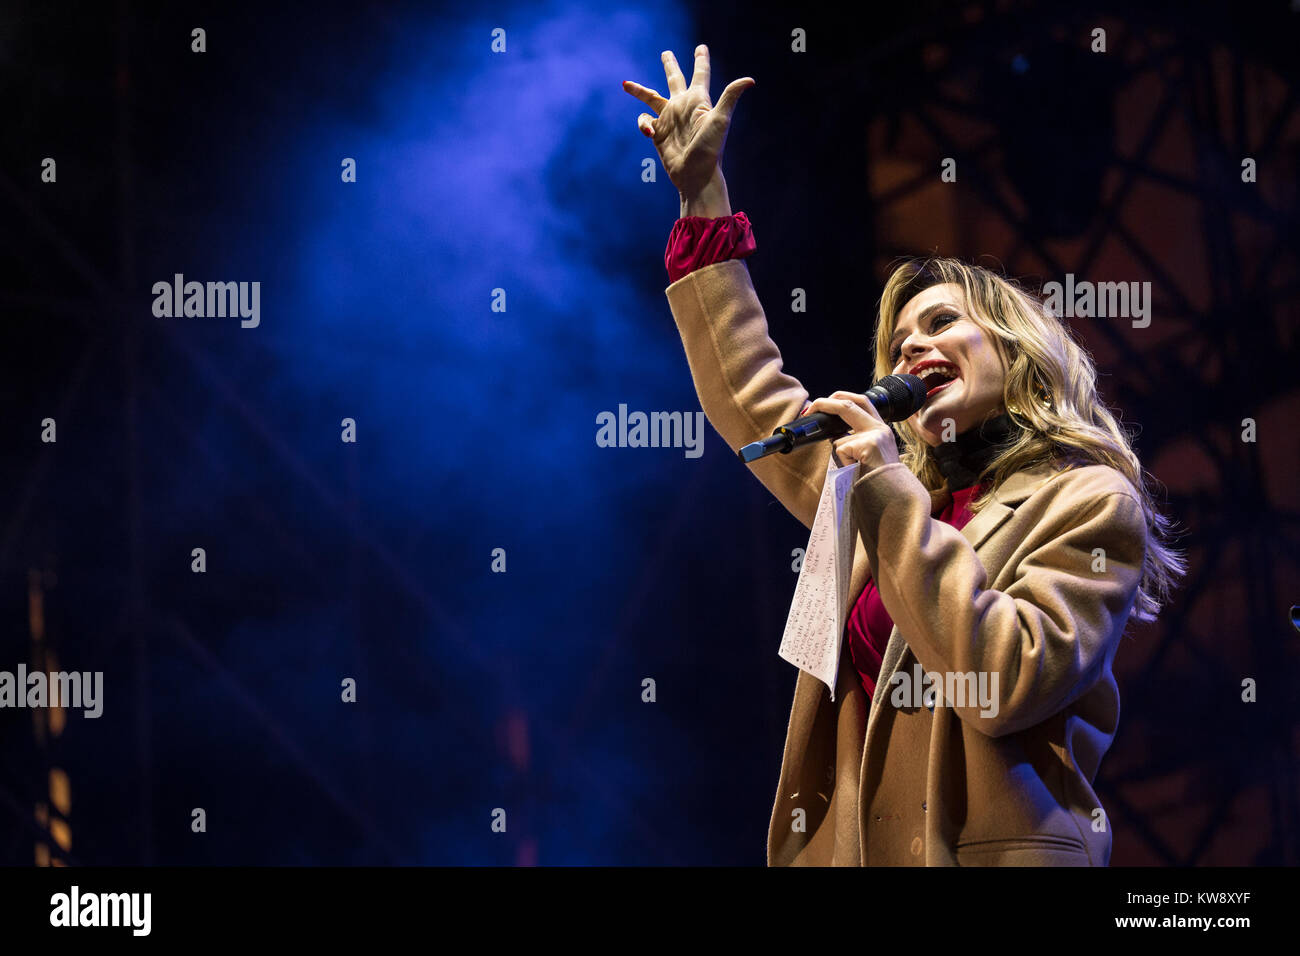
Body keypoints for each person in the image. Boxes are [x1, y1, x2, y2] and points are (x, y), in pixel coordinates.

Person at [624, 46, 1187, 866]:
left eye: (941, 324)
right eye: (898, 340)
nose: (912, 346)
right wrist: (701, 193)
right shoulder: (877, 493)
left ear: (1018, 352)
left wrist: (888, 490)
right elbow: (750, 393)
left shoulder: (1088, 500)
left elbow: (1005, 681)